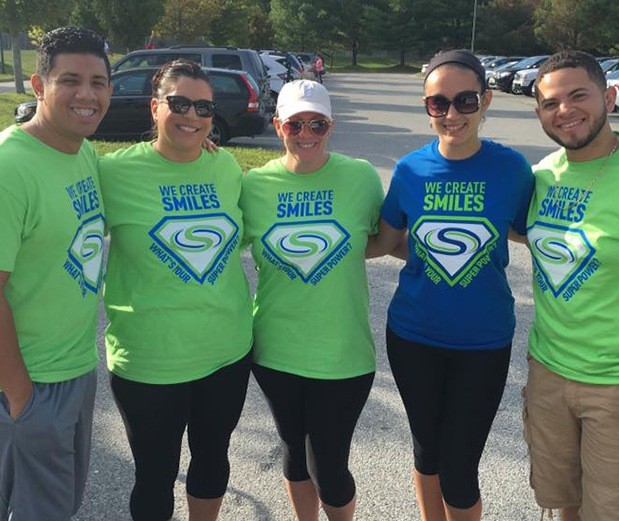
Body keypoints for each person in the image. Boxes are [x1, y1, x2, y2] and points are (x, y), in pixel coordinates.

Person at [367, 50, 534, 521]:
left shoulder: (513, 170)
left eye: (465, 101)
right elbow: (389, 241)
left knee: (460, 467)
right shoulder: (410, 170)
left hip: (484, 341)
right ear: (427, 107)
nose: (452, 114)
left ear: (486, 100)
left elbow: (530, 232)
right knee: (427, 450)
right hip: (413, 335)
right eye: (438, 104)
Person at [99, 59, 253, 521]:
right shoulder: (111, 173)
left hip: (227, 351)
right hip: (149, 360)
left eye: (203, 107)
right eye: (180, 103)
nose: (192, 115)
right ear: (154, 107)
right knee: (154, 473)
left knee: (212, 458)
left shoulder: (225, 166)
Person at [239, 79, 383, 521]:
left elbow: (378, 240)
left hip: (344, 353)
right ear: (278, 125)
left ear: (331, 126)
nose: (306, 134)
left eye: (317, 123)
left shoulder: (359, 177)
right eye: (295, 124)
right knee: (293, 451)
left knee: (329, 461)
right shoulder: (252, 185)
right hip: (275, 350)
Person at [523, 49, 619, 521]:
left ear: (610, 97)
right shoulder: (541, 177)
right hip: (548, 373)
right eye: (552, 103)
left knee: (614, 512)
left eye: (579, 96)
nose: (565, 110)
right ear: (538, 113)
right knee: (561, 503)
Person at [0, 26, 111, 520]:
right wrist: (21, 399)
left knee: (58, 507)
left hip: (74, 372)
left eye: (98, 81)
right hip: (28, 385)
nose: (87, 94)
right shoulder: (11, 168)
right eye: (70, 80)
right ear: (38, 85)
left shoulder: (81, 151)